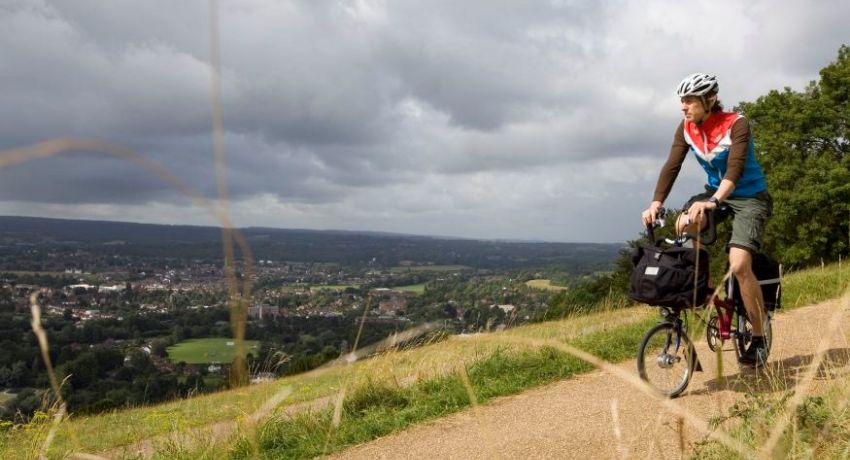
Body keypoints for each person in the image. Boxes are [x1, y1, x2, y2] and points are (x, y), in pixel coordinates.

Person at [641, 73, 773, 366]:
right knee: (682, 225)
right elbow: (671, 166)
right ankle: (709, 294)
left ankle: (760, 336)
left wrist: (712, 201)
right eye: (682, 101)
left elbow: (735, 170)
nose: (683, 106)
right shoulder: (687, 128)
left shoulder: (736, 123)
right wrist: (655, 203)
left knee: (739, 265)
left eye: (689, 100)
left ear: (708, 100)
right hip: (713, 194)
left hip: (749, 196)